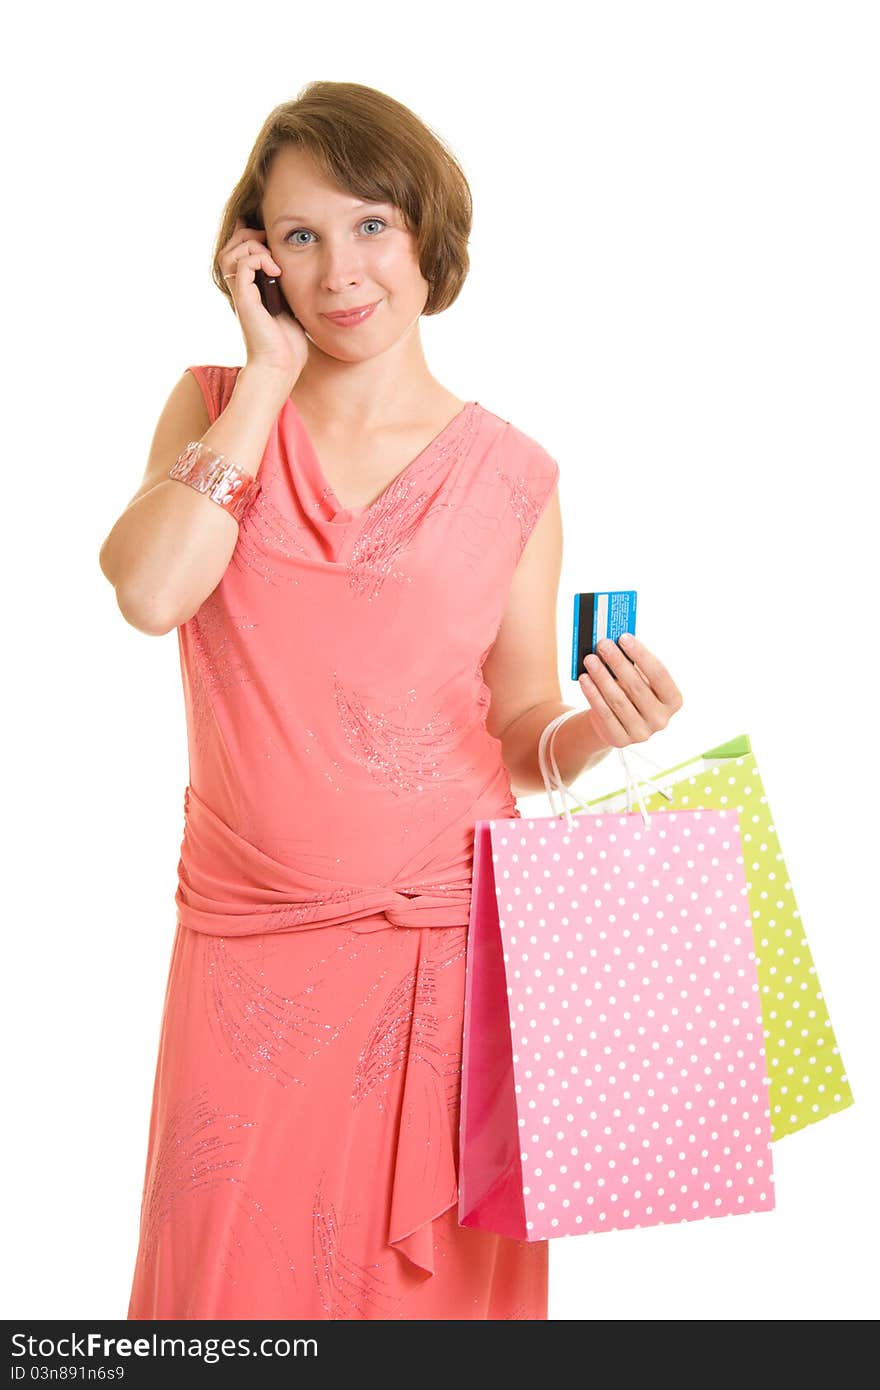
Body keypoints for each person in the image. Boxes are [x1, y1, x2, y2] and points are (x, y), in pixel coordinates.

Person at [98, 81, 683, 1321]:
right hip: (246, 946)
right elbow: (151, 594)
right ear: (253, 259)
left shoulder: (515, 473)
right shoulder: (214, 406)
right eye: (298, 236)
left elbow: (525, 733)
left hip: (447, 957)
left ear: (427, 232)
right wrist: (265, 378)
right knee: (219, 1302)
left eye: (370, 225)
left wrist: (602, 727)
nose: (340, 269)